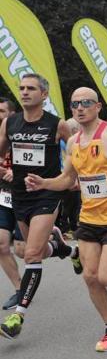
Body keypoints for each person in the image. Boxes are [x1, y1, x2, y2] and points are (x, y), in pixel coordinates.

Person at [25, 87, 107, 351]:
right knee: (90, 277)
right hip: (88, 217)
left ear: (98, 106)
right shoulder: (73, 142)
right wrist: (43, 183)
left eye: (86, 103)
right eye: (74, 104)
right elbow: (68, 180)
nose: (80, 108)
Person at [0, 73, 78, 339]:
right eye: (21, 88)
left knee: (32, 254)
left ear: (43, 94)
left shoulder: (57, 125)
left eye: (31, 88)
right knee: (27, 250)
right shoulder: (10, 123)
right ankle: (62, 248)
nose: (24, 92)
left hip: (46, 193)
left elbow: (75, 154)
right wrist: (4, 170)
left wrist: (66, 179)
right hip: (19, 194)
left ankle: (17, 316)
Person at [0, 97, 22, 310]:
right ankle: (19, 289)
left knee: (25, 251)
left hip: (26, 197)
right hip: (3, 197)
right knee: (1, 244)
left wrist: (16, 171)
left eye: (1, 111)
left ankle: (63, 246)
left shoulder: (22, 134)